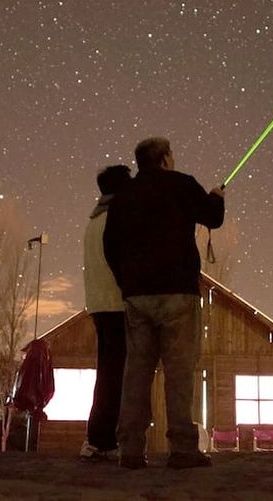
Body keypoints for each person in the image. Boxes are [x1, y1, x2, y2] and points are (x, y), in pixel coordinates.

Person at [103, 137, 225, 469]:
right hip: (178, 293)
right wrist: (216, 196)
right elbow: (212, 218)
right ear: (166, 159)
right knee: (179, 372)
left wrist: (125, 282)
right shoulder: (182, 185)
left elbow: (110, 245)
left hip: (138, 296)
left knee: (137, 373)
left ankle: (129, 449)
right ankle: (183, 449)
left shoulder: (123, 196)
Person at [79, 165, 133, 461]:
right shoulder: (117, 217)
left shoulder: (94, 219)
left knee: (108, 373)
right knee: (118, 375)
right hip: (116, 304)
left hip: (99, 305)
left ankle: (99, 437)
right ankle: (105, 439)